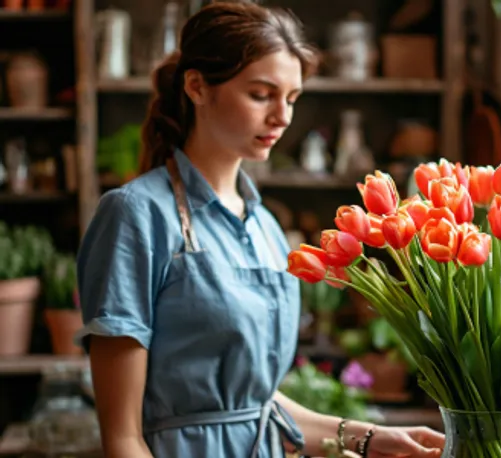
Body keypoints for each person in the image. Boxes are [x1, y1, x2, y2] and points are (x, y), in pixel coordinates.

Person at [75, 2, 445, 458]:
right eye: (261, 94)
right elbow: (123, 439)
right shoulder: (135, 215)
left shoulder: (265, 227)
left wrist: (372, 437)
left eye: (291, 98)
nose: (283, 117)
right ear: (197, 87)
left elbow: (256, 409)